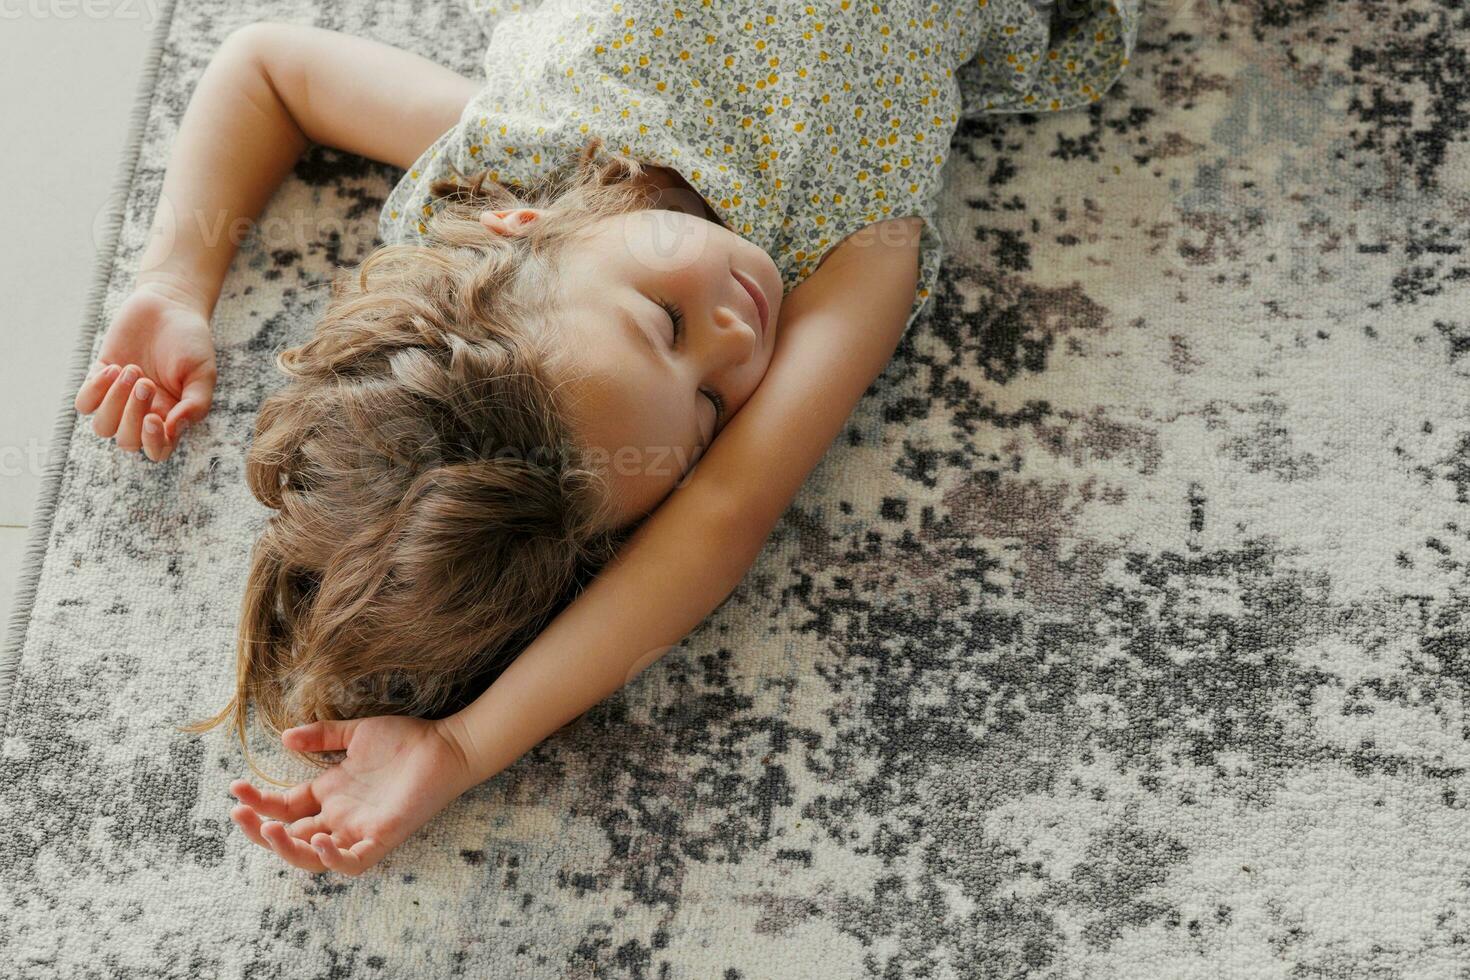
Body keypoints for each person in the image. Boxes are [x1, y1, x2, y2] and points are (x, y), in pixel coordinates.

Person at [72, 0, 1138, 874]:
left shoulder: (532, 143)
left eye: (662, 323)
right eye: (716, 406)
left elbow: (267, 69)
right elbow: (722, 518)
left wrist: (174, 279)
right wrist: (459, 743)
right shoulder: (855, 237)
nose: (734, 335)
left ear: (522, 224)